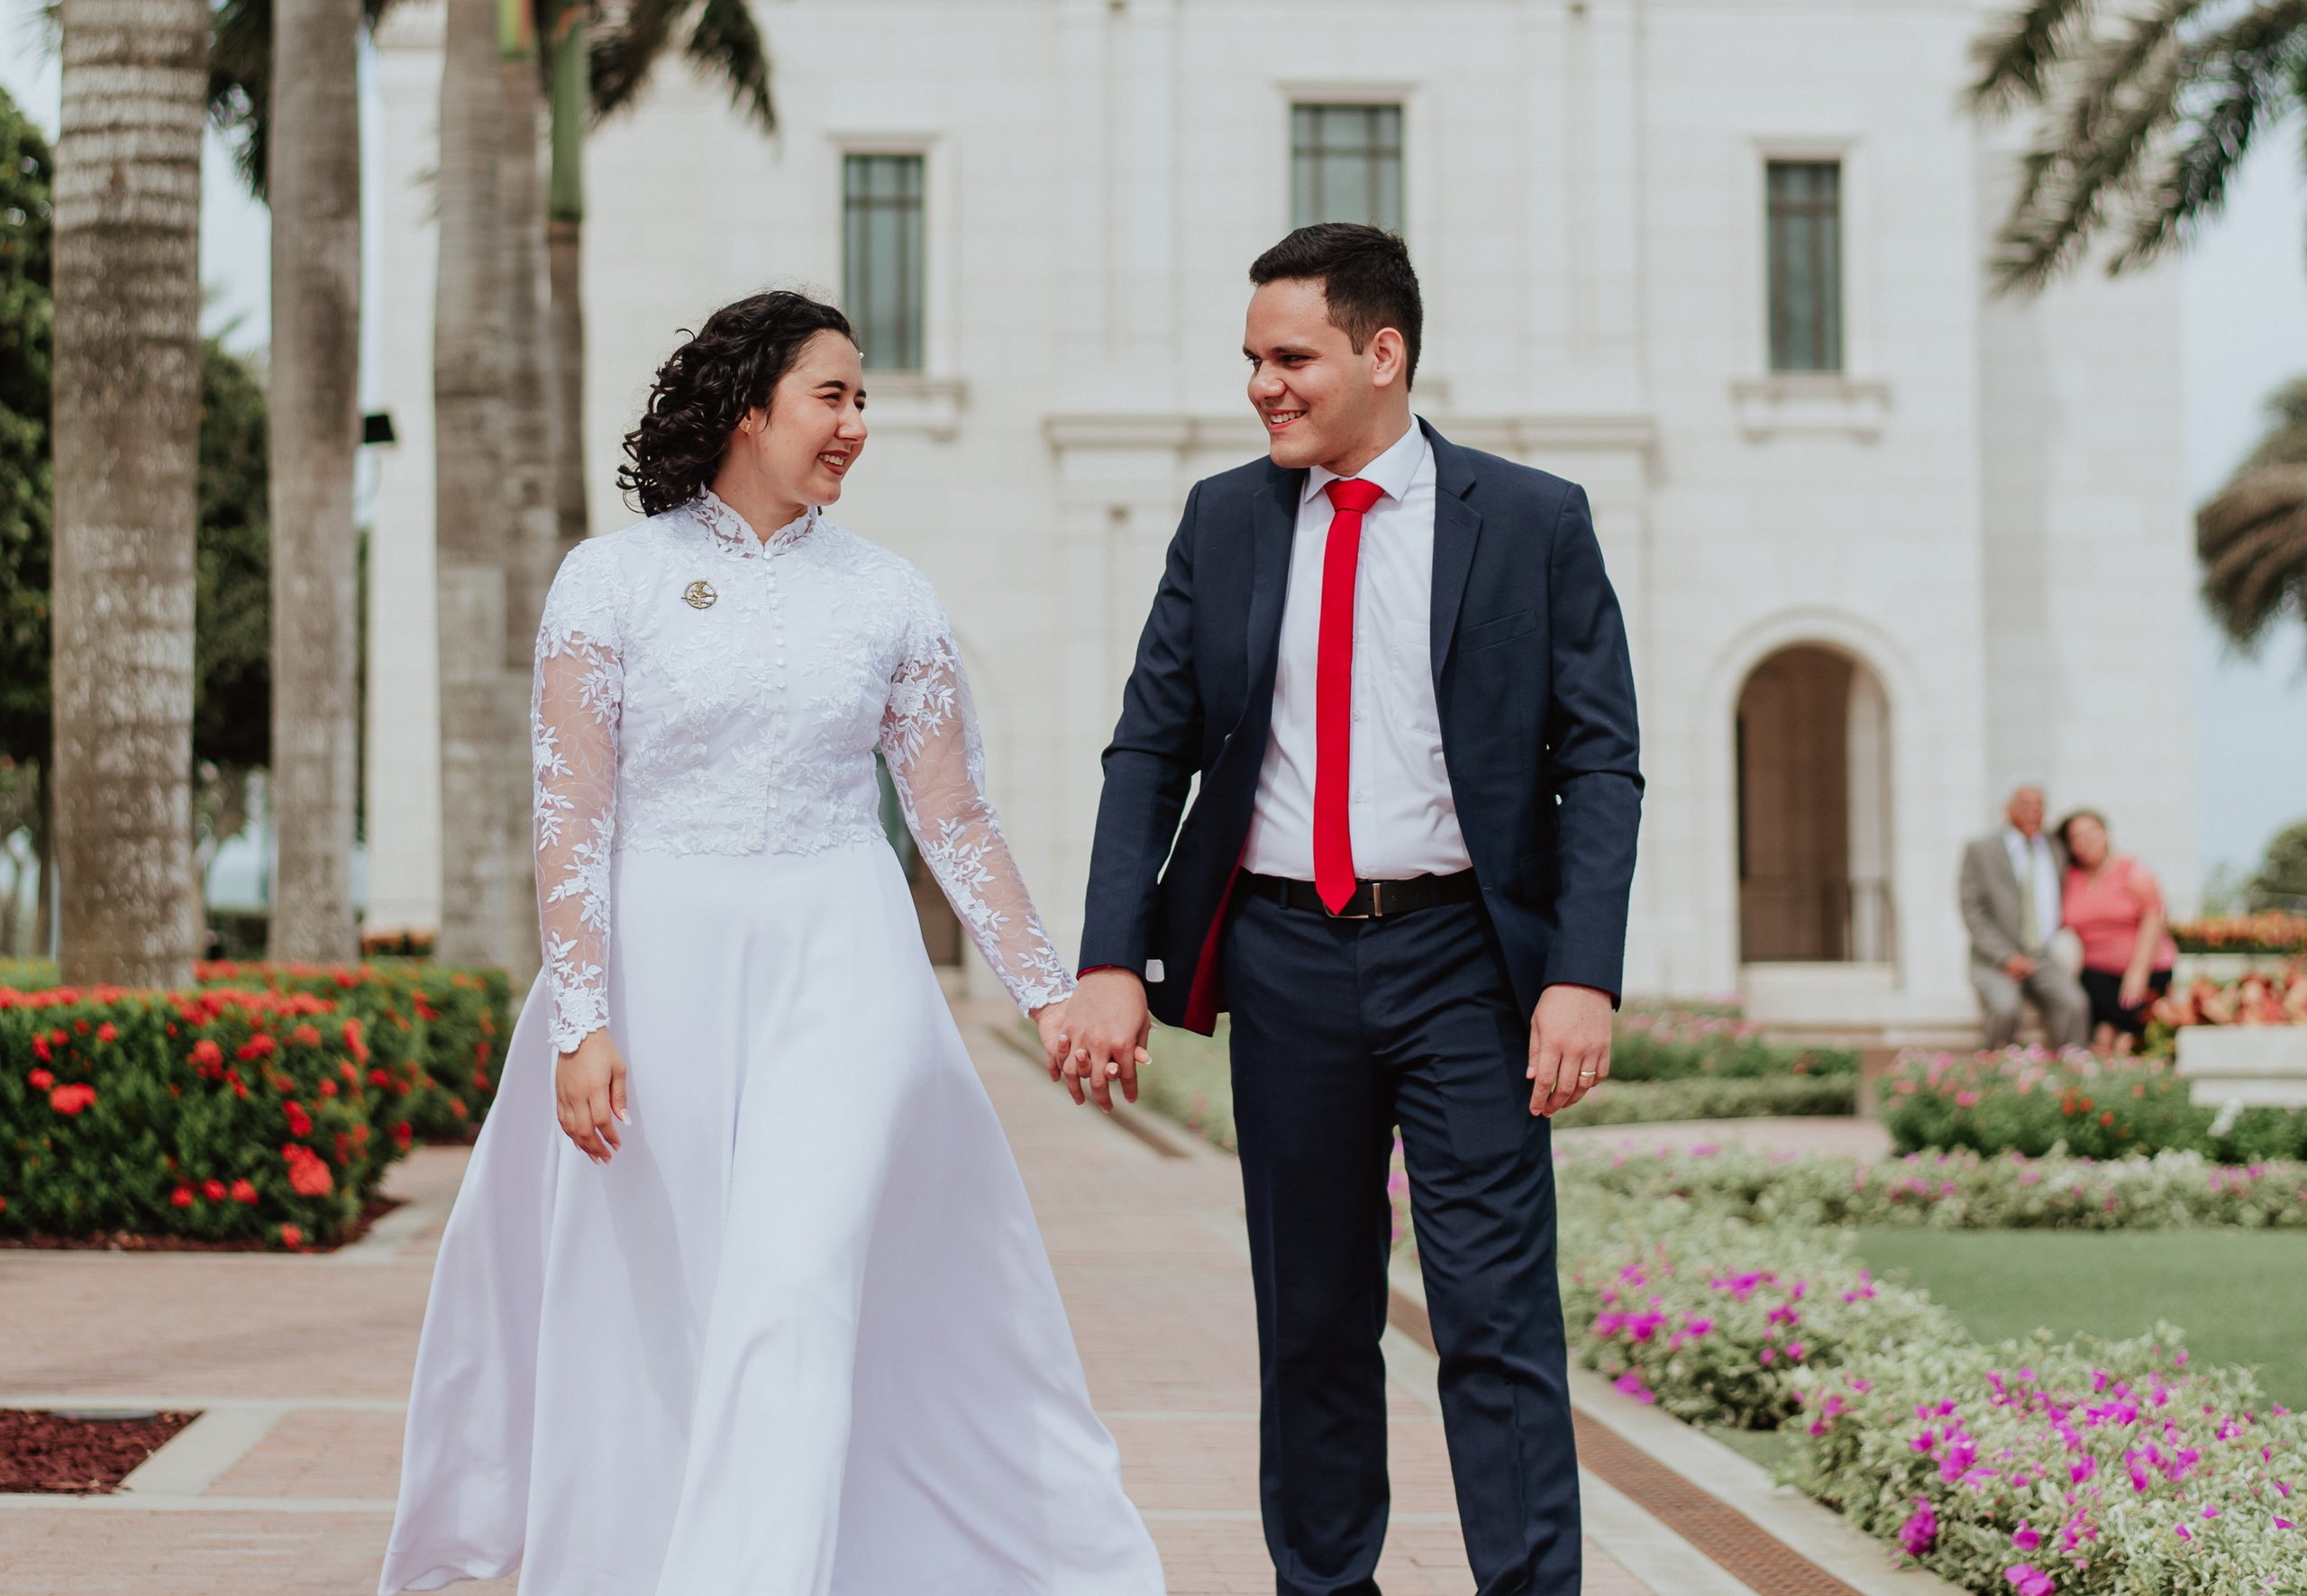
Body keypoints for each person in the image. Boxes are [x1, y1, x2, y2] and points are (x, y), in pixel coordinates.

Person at [379, 292, 1163, 1596]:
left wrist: (1048, 992)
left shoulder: (891, 598)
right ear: (749, 406)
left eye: (863, 400)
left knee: (795, 1281)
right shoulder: (609, 581)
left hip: (843, 963)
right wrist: (582, 1020)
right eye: (834, 395)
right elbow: (569, 814)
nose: (859, 424)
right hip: (657, 969)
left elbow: (953, 814)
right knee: (673, 1299)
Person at [1063, 223, 1642, 1596]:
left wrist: (1584, 974)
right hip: (1282, 960)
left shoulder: (1533, 519)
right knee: (1312, 1322)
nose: (1262, 384)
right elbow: (1151, 744)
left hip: (1467, 962)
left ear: (1383, 355)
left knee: (1495, 1321)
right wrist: (1110, 958)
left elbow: (1598, 756)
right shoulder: (1225, 519)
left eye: (1291, 357)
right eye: (1252, 360)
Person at [1957, 783, 2090, 1051]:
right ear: (2008, 808)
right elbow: (1972, 911)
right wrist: (2006, 957)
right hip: (1994, 960)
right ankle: (1995, 1072)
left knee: (2075, 1004)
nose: (2032, 812)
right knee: (2006, 1008)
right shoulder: (1982, 850)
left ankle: (2071, 1076)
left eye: (2039, 805)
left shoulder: (2055, 848)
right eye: (2025, 805)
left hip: (2041, 955)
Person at [2059, 808, 2176, 1053]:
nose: (2087, 840)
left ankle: (2113, 1039)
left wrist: (2137, 972)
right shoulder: (2068, 878)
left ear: (2105, 834)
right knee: (2092, 1010)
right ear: (2070, 846)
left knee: (2124, 1021)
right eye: (2078, 837)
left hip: (2146, 967)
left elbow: (2154, 915)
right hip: (2096, 972)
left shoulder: (2132, 870)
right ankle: (2112, 1038)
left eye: (2093, 832)